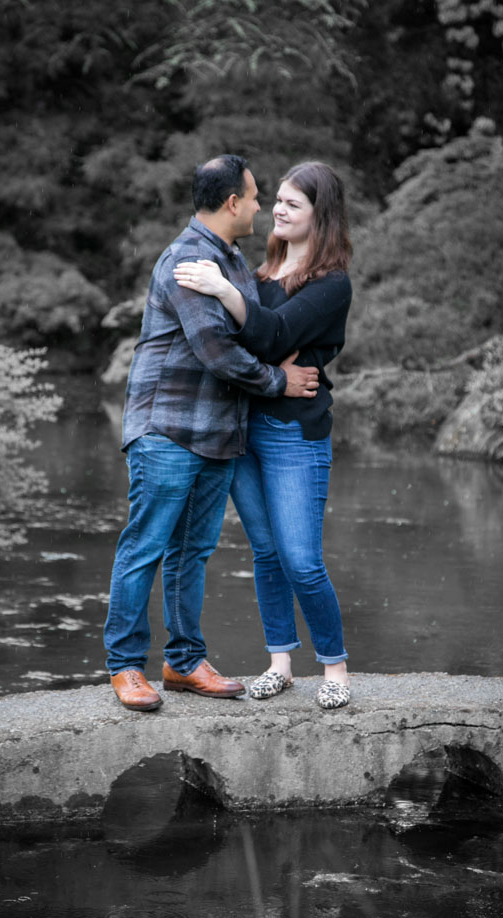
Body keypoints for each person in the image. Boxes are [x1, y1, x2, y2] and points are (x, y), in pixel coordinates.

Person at [104, 154, 320, 711]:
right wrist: (280, 381)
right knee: (147, 546)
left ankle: (182, 663)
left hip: (219, 434)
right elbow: (220, 352)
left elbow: (253, 330)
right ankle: (126, 667)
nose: (259, 205)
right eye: (253, 197)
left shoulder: (234, 262)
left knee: (192, 552)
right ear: (231, 203)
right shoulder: (186, 260)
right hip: (168, 431)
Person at [173, 161, 353, 709]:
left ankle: (337, 669)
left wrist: (226, 292)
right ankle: (280, 662)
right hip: (244, 430)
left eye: (292, 204)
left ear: (320, 217)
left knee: (301, 558)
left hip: (295, 436)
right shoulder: (263, 272)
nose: (277, 209)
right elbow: (251, 345)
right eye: (275, 199)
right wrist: (253, 324)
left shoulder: (330, 284)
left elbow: (270, 335)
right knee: (267, 553)